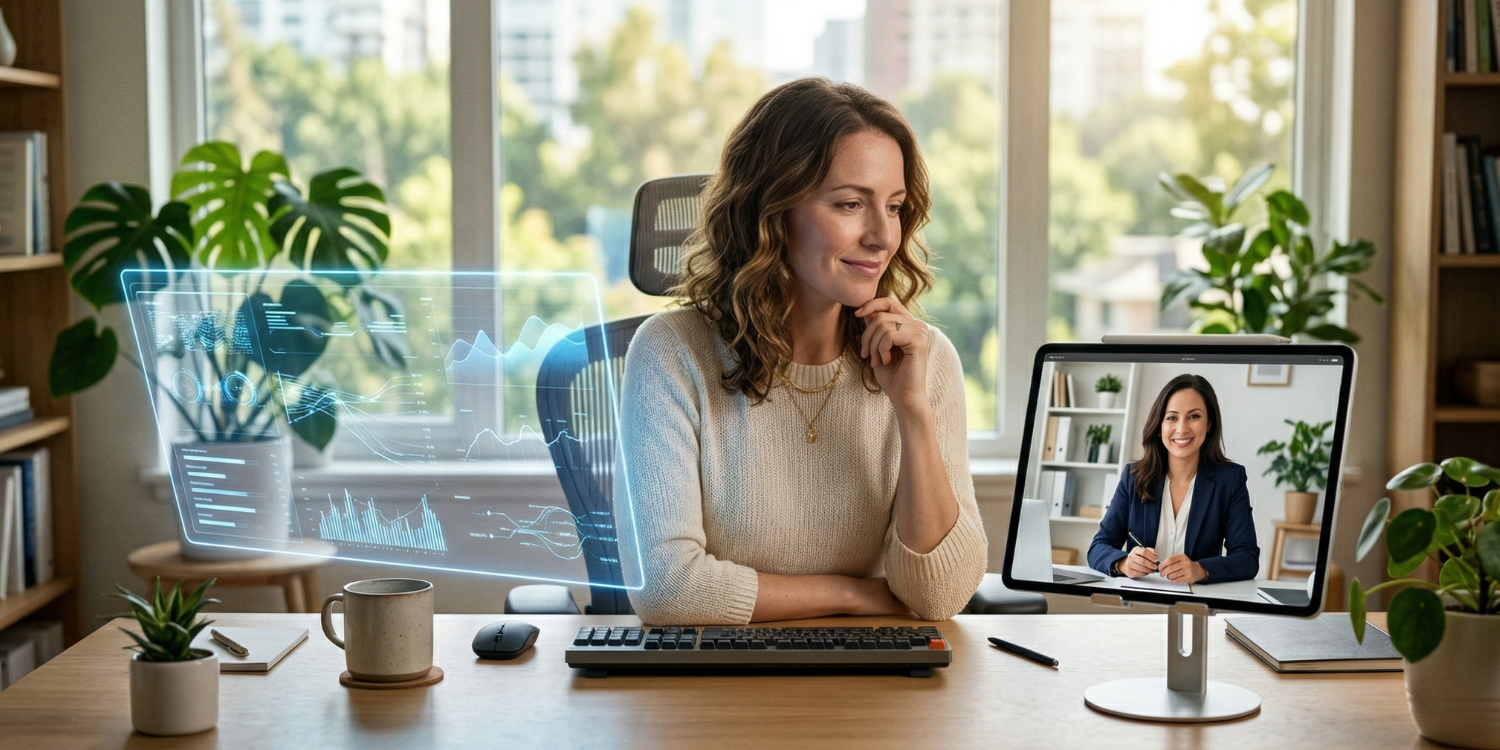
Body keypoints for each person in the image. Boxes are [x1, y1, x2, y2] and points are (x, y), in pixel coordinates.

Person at [617, 78, 987, 625]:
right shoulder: (671, 355)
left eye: (894, 206)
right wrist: (855, 595)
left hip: (874, 688)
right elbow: (667, 590)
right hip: (712, 686)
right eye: (849, 204)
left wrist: (913, 411)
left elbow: (939, 598)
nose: (883, 236)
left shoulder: (924, 360)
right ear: (771, 212)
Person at [1086, 374, 1260, 584]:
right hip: (1139, 600)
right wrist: (1123, 563)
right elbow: (1098, 547)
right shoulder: (1133, 478)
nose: (1182, 428)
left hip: (1196, 602)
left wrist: (1200, 569)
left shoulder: (1230, 480)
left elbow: (1247, 558)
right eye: (1172, 417)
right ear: (1160, 426)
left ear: (1209, 424)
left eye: (1194, 416)